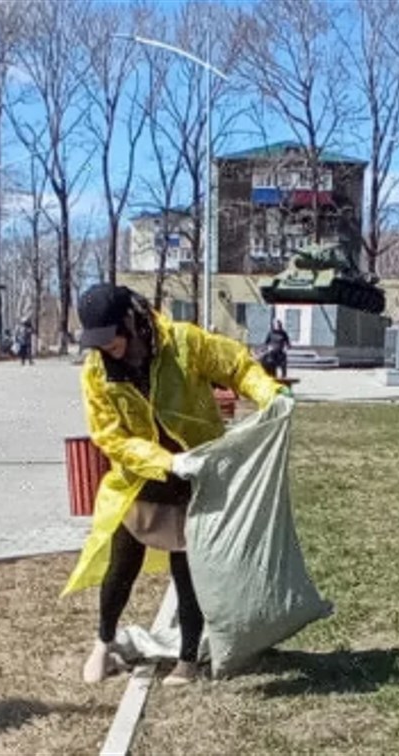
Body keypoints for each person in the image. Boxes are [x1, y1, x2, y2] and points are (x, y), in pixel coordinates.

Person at [63, 284, 286, 686]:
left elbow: (236, 366)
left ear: (131, 321)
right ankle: (103, 643)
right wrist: (164, 461)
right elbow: (108, 435)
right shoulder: (97, 371)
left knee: (188, 569)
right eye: (96, 343)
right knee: (121, 564)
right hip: (141, 479)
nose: (104, 349)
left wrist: (270, 395)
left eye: (109, 339)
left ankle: (188, 658)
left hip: (195, 476)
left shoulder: (183, 343)